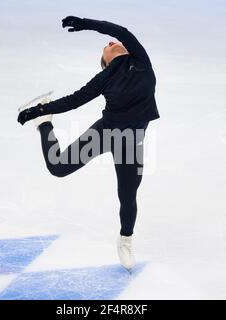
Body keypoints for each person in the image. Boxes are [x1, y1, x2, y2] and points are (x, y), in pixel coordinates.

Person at [17, 16, 160, 270]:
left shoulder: (139, 58)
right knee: (58, 167)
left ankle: (125, 240)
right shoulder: (104, 79)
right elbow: (74, 100)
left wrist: (86, 23)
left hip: (131, 142)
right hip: (105, 133)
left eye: (113, 42)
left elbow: (120, 30)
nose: (111, 42)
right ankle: (44, 125)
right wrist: (38, 111)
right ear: (106, 61)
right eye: (107, 46)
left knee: (128, 197)